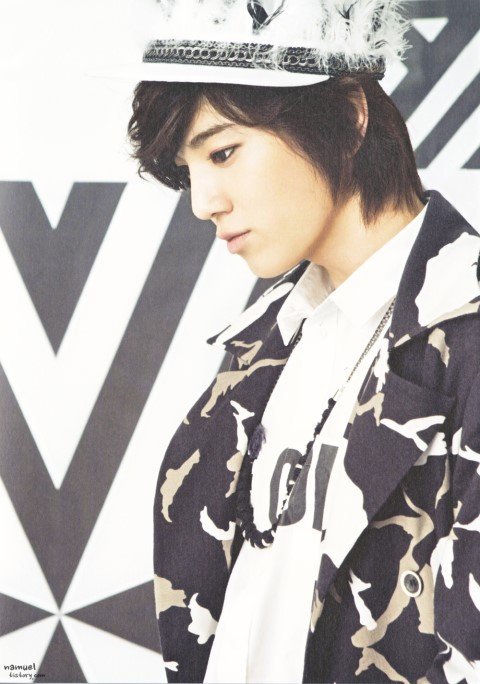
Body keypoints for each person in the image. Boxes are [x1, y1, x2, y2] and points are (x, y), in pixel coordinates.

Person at [125, 1, 480, 682]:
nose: (203, 201)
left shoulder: (464, 335)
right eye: (190, 170)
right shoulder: (266, 342)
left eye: (224, 152)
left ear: (348, 115)